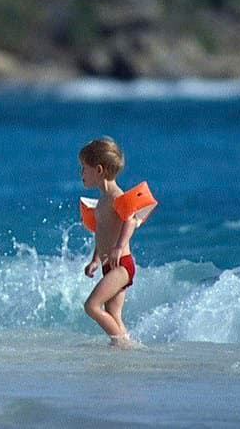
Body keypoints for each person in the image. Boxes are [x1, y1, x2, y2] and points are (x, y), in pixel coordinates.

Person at [78, 137, 148, 348]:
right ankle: (125, 347)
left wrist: (119, 247)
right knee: (113, 314)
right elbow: (103, 234)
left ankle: (123, 345)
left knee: (91, 306)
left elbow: (130, 219)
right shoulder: (101, 200)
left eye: (84, 169)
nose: (81, 174)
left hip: (122, 265)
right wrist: (95, 260)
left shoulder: (116, 197)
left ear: (99, 170)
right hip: (110, 265)